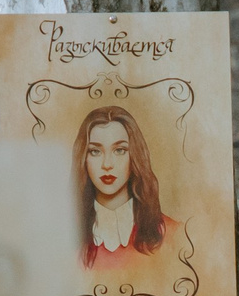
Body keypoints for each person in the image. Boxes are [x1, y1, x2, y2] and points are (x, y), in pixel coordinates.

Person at [74, 104, 176, 265]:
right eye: (95, 151)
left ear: (134, 156)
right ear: (83, 159)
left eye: (119, 150)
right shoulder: (62, 240)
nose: (107, 164)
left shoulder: (174, 234)